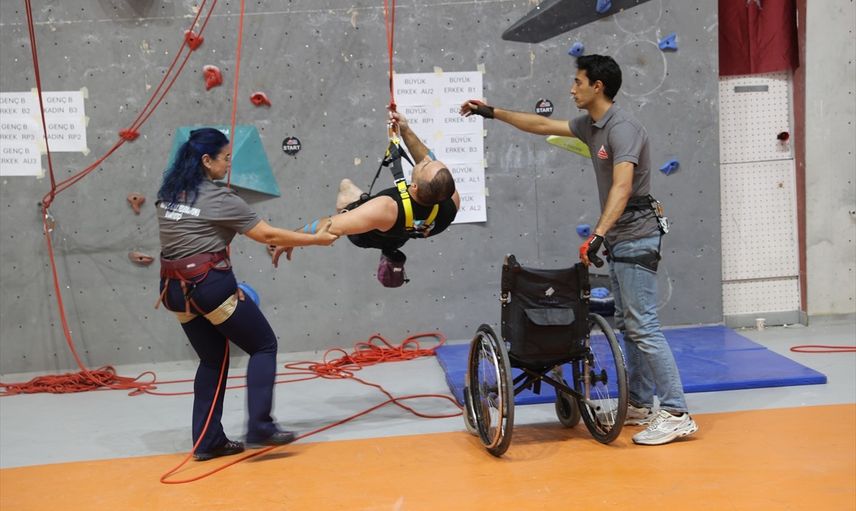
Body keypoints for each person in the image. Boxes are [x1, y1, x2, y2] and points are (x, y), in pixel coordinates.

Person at [460, 54, 697, 446]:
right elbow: (540, 124)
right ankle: (639, 403)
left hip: (637, 235)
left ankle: (676, 412)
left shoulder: (623, 129)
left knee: (644, 326)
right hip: (620, 237)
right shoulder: (591, 125)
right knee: (629, 325)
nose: (572, 89)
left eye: (578, 82)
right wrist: (491, 112)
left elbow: (623, 186)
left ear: (597, 86)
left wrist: (598, 234)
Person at [155, 127, 338, 461]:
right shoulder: (219, 198)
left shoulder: (169, 194)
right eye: (225, 158)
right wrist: (316, 240)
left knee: (212, 359)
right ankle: (260, 427)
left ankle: (208, 441)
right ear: (206, 160)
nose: (229, 165)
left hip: (174, 291)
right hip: (207, 286)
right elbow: (266, 234)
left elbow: (191, 241)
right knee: (263, 345)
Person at [272, 110, 460, 287]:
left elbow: (330, 226)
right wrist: (405, 130)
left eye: (424, 165)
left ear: (415, 186)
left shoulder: (386, 208)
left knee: (346, 187)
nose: (425, 160)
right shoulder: (451, 203)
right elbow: (429, 161)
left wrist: (291, 238)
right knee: (393, 227)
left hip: (365, 235)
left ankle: (356, 207)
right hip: (400, 235)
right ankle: (389, 250)